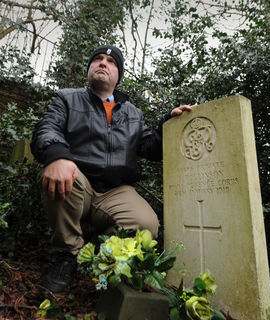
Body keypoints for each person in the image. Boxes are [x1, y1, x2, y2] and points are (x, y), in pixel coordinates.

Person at [30, 45, 191, 293]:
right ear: (90, 69)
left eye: (111, 61)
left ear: (118, 75)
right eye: (97, 59)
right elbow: (47, 128)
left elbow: (150, 148)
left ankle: (99, 252)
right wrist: (57, 156)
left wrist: (168, 125)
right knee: (63, 175)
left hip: (115, 190)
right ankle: (69, 254)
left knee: (147, 224)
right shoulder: (67, 98)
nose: (103, 63)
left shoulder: (133, 113)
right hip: (79, 181)